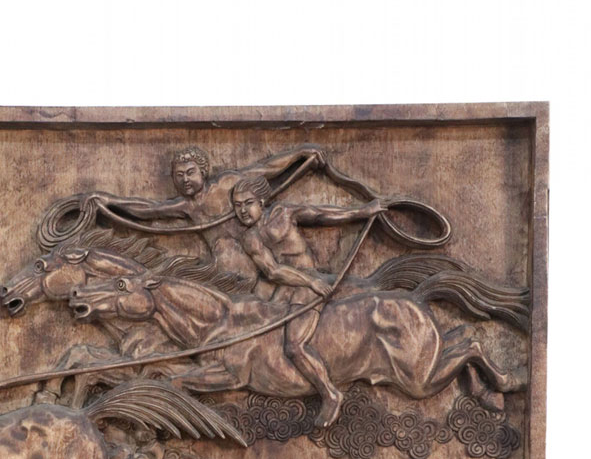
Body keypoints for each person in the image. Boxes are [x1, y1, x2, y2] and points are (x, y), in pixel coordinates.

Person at [229, 173, 388, 428]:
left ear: (262, 201)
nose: (243, 211)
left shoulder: (284, 212)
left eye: (248, 203)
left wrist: (361, 212)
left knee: (294, 345)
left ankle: (330, 394)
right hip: (285, 288)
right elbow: (272, 271)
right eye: (237, 206)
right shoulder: (250, 239)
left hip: (309, 284)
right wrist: (306, 282)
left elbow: (320, 214)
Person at [103, 144, 327, 284]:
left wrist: (299, 153)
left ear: (203, 172)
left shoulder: (226, 183)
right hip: (231, 266)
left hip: (261, 251)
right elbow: (149, 209)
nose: (185, 179)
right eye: (179, 175)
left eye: (190, 172)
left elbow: (265, 168)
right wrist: (109, 202)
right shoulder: (185, 206)